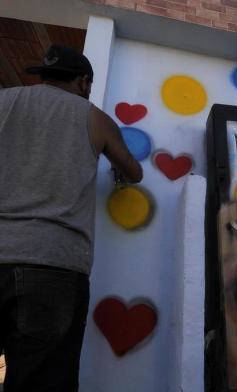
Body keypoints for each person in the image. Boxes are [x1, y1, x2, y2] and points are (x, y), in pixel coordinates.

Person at [0, 44, 142, 391]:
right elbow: (133, 171)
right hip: (53, 265)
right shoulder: (92, 116)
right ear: (83, 82)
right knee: (41, 381)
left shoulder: (4, 101)